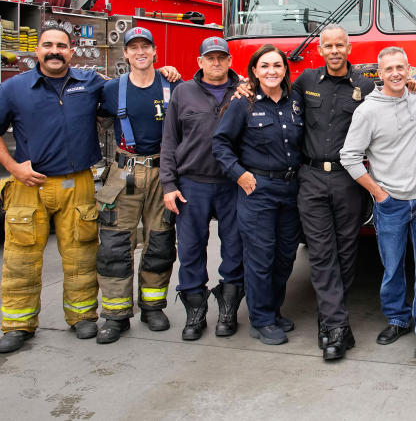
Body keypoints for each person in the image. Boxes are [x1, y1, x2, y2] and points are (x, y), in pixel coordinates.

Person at [0, 26, 105, 352]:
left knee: (81, 254)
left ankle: (83, 317)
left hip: (79, 183)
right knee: (20, 258)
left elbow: (131, 87)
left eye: (61, 45)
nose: (54, 51)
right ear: (38, 51)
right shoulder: (13, 88)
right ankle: (17, 324)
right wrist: (14, 168)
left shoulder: (90, 83)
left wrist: (163, 72)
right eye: (48, 45)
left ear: (72, 51)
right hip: (28, 184)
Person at [340, 46, 416, 360]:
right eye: (389, 69)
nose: (396, 74)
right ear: (379, 75)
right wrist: (378, 193)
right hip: (391, 203)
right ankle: (397, 319)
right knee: (392, 267)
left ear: (409, 69)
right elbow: (349, 156)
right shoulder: (367, 110)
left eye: (401, 67)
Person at [292, 25, 375, 361]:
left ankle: (330, 319)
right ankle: (336, 328)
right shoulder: (305, 82)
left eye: (340, 45)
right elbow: (275, 100)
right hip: (311, 177)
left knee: (346, 253)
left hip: (348, 179)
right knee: (322, 252)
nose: (335, 50)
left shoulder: (365, 86)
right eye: (328, 46)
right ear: (321, 50)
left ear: (349, 47)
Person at [95, 27, 182, 344]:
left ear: (156, 52)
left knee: (160, 243)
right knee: (115, 246)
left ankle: (153, 307)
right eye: (134, 47)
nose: (141, 52)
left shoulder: (172, 84)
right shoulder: (110, 90)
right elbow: (93, 122)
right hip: (126, 174)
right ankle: (115, 315)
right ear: (126, 54)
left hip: (164, 173)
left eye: (147, 46)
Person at [212, 45, 303, 346]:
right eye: (264, 66)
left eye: (277, 65)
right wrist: (239, 173)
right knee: (261, 257)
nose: (272, 71)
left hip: (290, 190)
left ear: (285, 70)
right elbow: (221, 144)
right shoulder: (244, 103)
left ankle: (273, 311)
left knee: (285, 255)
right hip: (258, 190)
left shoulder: (295, 102)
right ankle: (261, 319)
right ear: (254, 71)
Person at [160, 36, 244, 341]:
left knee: (235, 249)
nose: (217, 62)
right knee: (191, 250)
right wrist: (169, 184)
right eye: (210, 58)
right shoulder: (183, 93)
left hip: (233, 184)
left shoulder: (245, 91)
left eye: (222, 57)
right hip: (192, 185)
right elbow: (169, 141)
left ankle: (228, 310)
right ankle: (195, 313)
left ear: (230, 61)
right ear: (200, 62)